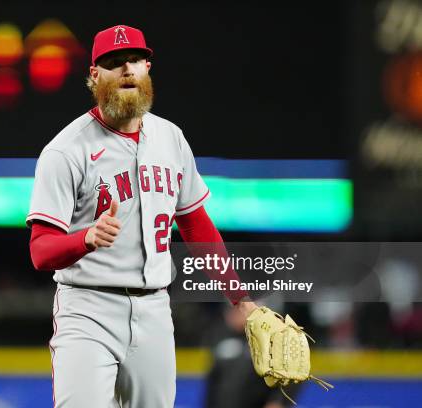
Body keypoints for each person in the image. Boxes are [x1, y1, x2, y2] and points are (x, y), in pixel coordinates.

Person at [27, 24, 258, 408]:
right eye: (114, 63)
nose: (127, 69)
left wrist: (239, 297)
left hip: (154, 309)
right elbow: (40, 250)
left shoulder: (171, 138)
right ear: (95, 75)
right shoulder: (66, 150)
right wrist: (85, 238)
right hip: (88, 309)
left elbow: (196, 224)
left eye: (134, 59)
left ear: (148, 67)